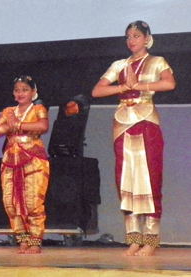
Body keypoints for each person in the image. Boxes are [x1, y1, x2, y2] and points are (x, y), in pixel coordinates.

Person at [92, 20, 176, 256]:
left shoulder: (157, 61)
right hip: (122, 123)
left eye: (136, 36)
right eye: (128, 36)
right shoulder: (119, 64)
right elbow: (97, 90)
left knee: (149, 178)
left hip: (146, 119)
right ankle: (134, 239)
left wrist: (139, 85)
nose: (131, 40)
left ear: (147, 38)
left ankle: (151, 240)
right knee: (125, 180)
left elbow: (170, 83)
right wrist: (121, 88)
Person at [0, 75, 49, 254]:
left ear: (33, 92)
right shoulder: (8, 112)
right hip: (10, 160)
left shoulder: (38, 108)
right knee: (10, 202)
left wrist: (19, 124)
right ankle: (22, 239)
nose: (20, 93)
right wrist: (8, 127)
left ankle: (35, 241)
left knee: (33, 201)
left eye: (25, 89)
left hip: (34, 158)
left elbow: (43, 126)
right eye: (17, 90)